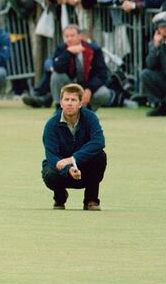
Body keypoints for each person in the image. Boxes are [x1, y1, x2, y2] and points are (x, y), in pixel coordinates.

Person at [41, 83, 107, 211]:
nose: (69, 103)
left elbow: (99, 141)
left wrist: (73, 159)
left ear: (80, 103)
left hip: (84, 168)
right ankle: (59, 197)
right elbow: (51, 155)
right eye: (66, 99)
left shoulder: (90, 117)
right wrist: (68, 169)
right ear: (61, 103)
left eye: (73, 100)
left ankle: (91, 200)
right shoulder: (51, 124)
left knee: (100, 156)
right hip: (62, 170)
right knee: (49, 173)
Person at [50, 25, 113, 111]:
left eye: (72, 36)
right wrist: (68, 52)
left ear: (80, 36)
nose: (69, 39)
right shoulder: (61, 49)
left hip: (87, 84)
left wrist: (89, 89)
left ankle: (86, 111)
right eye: (66, 36)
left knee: (104, 93)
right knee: (56, 76)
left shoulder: (93, 49)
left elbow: (101, 73)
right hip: (70, 85)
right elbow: (57, 68)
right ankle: (60, 108)